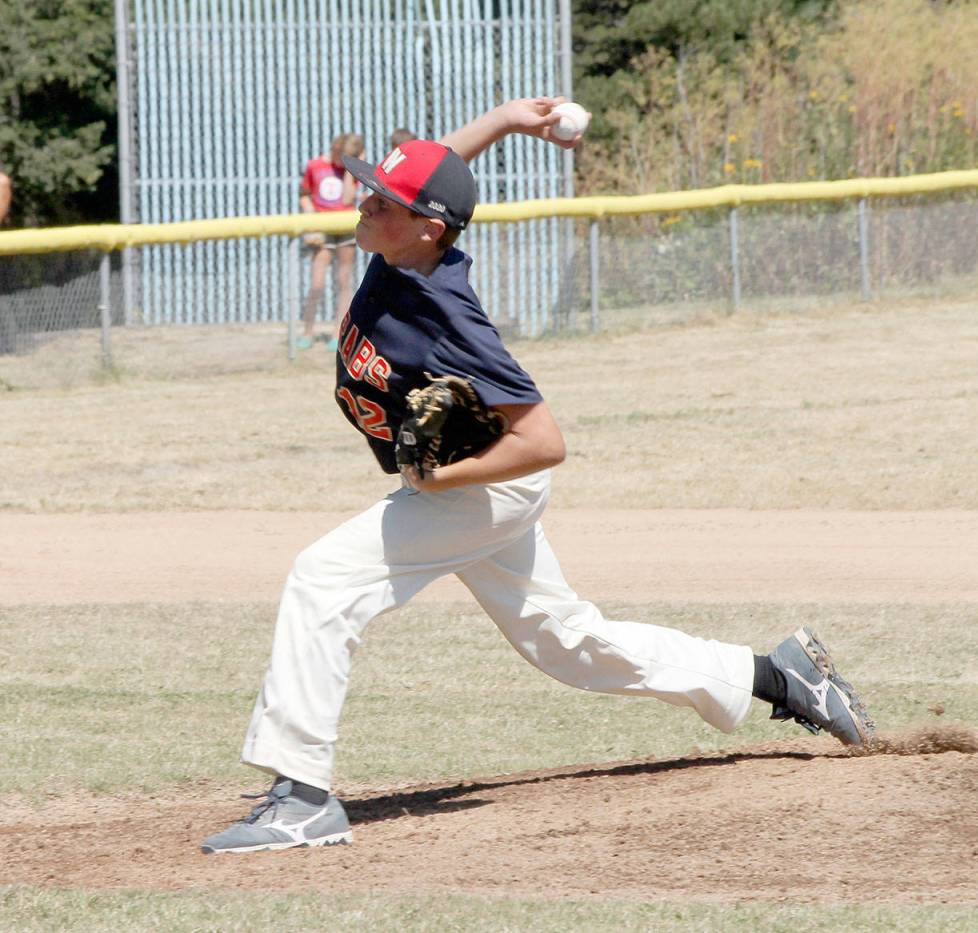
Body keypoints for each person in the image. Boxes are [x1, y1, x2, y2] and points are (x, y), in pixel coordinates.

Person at [201, 97, 875, 855]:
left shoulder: (446, 310)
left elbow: (546, 440)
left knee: (323, 578)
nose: (363, 201)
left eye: (378, 199)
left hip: (482, 489)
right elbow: (434, 172)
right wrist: (505, 119)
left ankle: (301, 797)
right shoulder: (403, 246)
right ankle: (778, 675)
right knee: (569, 643)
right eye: (368, 189)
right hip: (473, 488)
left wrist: (446, 482)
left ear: (425, 227)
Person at [297, 133, 364, 351]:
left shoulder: (350, 169)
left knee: (343, 280)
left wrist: (350, 169)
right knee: (317, 282)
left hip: (345, 226)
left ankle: (338, 332)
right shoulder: (315, 165)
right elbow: (304, 194)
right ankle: (307, 330)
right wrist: (310, 215)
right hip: (322, 227)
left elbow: (346, 199)